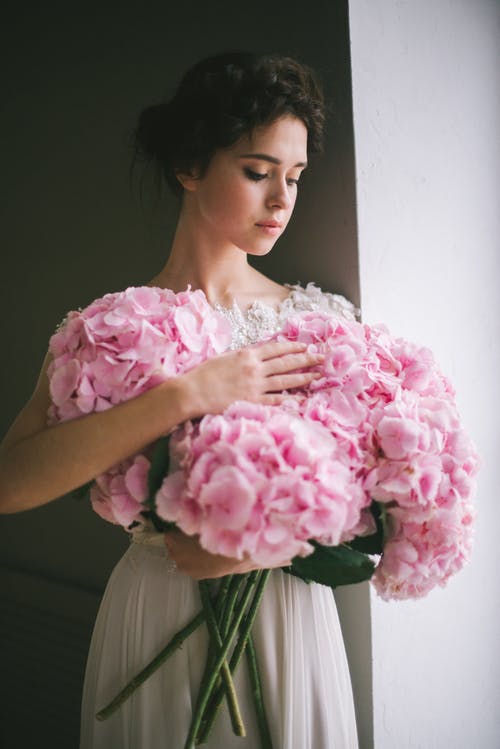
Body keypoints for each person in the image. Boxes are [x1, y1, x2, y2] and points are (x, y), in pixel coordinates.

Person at [0, 52, 359, 748]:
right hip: (155, 611)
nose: (282, 200)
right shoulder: (112, 329)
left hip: (288, 619)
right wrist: (189, 394)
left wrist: (249, 546)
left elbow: (363, 498)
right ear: (190, 167)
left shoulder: (323, 324)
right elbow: (9, 482)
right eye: (258, 172)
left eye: (295, 177)